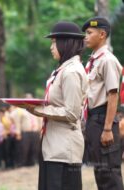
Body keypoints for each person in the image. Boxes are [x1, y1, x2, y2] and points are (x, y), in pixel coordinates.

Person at [26, 22, 88, 190]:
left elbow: (71, 112)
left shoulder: (71, 72)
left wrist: (37, 110)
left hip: (63, 151)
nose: (51, 47)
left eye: (54, 43)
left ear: (66, 43)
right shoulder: (62, 70)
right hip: (53, 147)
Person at [82, 16, 124, 190]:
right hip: (94, 120)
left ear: (102, 34)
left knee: (109, 172)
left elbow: (113, 95)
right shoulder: (93, 60)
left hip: (102, 119)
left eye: (89, 33)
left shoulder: (107, 60)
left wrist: (107, 128)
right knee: (100, 171)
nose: (85, 36)